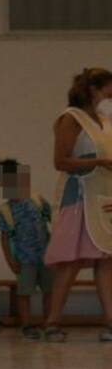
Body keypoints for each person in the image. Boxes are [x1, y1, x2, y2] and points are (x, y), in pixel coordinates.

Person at [42, 68, 112, 342]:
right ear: (93, 90)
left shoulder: (105, 121)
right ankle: (52, 322)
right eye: (108, 92)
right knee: (70, 262)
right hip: (78, 198)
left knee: (106, 261)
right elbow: (61, 161)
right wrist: (97, 162)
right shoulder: (71, 118)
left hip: (103, 199)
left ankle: (110, 321)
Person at [0, 158, 53, 339]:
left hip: (46, 256)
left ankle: (48, 322)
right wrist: (10, 260)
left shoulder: (37, 200)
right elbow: (4, 237)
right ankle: (26, 325)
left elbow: (53, 219)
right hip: (24, 260)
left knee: (49, 290)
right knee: (24, 292)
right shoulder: (5, 210)